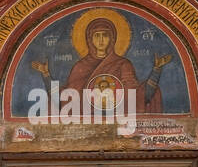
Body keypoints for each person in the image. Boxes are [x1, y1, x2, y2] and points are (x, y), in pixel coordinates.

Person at [31, 17, 169, 113]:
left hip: (117, 119)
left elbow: (138, 96)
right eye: (97, 36)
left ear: (112, 39)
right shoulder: (80, 66)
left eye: (105, 35)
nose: (101, 40)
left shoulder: (123, 64)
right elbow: (64, 100)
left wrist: (156, 70)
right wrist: (46, 75)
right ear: (90, 40)